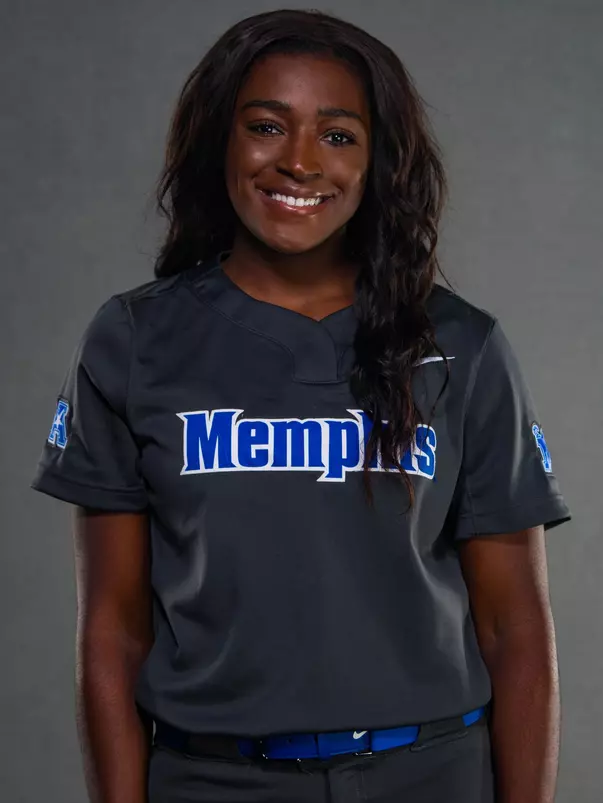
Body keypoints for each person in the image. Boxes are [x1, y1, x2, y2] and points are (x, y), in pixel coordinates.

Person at [32, 8, 572, 803]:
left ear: (375, 159)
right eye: (265, 125)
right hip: (211, 777)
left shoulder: (461, 343)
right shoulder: (137, 338)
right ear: (223, 138)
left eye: (338, 134)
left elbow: (513, 630)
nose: (298, 161)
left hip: (429, 775)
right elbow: (113, 632)